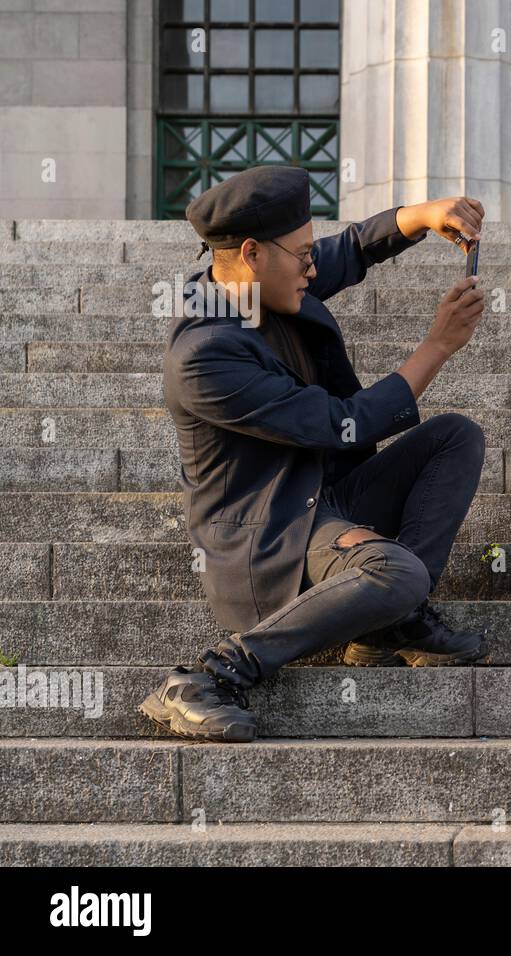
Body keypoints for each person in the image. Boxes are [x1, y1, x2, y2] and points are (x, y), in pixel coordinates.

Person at [140, 165, 491, 743]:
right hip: (273, 534)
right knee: (398, 571)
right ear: (252, 254)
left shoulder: (260, 282)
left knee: (455, 436)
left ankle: (386, 625)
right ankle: (208, 678)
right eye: (302, 254)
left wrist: (427, 215)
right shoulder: (206, 356)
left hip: (325, 497)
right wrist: (438, 346)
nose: (312, 266)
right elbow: (341, 423)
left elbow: (351, 249)